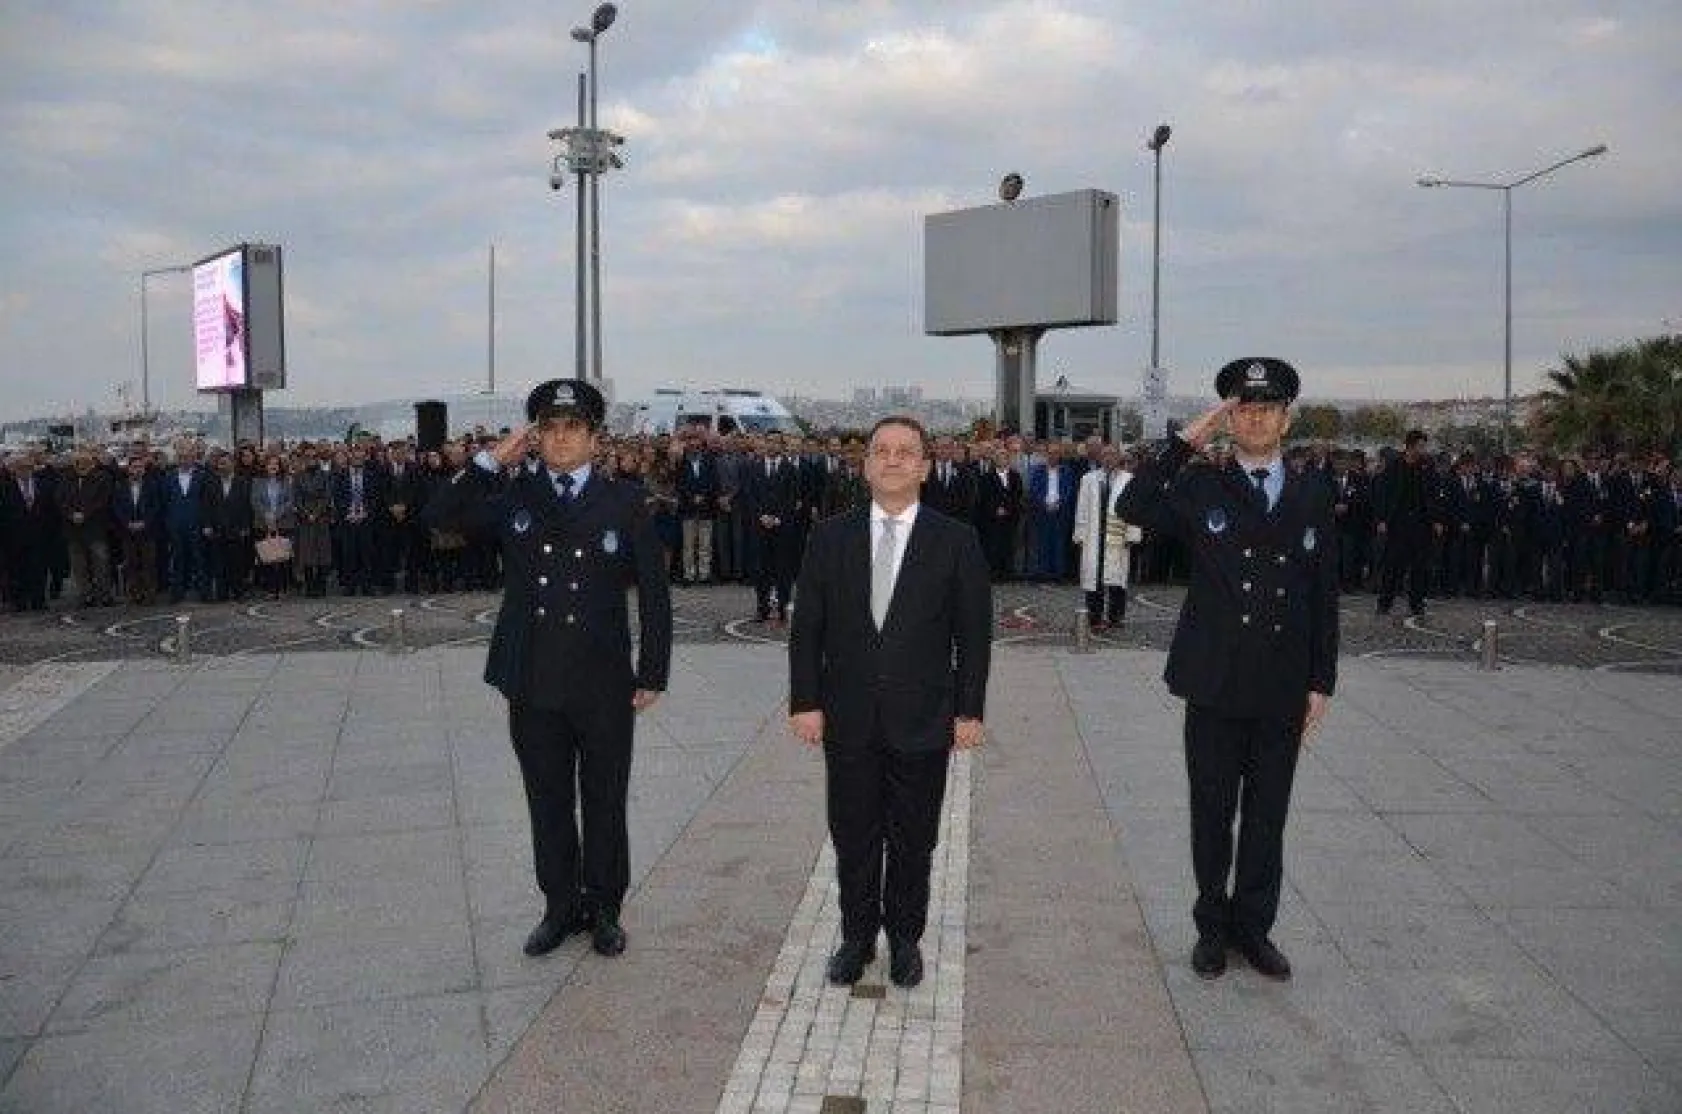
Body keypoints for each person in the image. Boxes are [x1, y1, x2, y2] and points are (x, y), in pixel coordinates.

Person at [425, 378, 672, 960]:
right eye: (550, 429)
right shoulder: (515, 496)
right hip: (532, 676)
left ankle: (605, 906)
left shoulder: (624, 500)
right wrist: (488, 461)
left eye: (573, 429)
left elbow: (656, 595)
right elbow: (437, 516)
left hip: (604, 678)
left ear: (594, 437)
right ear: (535, 436)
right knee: (548, 797)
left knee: (606, 797)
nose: (562, 440)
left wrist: (653, 670)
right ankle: (559, 906)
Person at [1115, 358, 1338, 983]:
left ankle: (1254, 929)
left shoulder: (1312, 491)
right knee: (1211, 813)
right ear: (1228, 418)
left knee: (1268, 816)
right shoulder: (1200, 485)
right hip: (1213, 681)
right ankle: (1211, 929)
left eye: (1268, 408)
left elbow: (1323, 591)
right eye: (1244, 408)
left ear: (1287, 419)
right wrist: (1187, 438)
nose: (1257, 417)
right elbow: (1132, 504)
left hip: (1281, 684)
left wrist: (1322, 679)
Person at [788, 415, 993, 989]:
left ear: (926, 466)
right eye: (882, 450)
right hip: (847, 718)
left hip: (924, 719)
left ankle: (904, 938)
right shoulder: (830, 537)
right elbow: (808, 630)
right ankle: (856, 936)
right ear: (866, 465)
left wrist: (969, 711)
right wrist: (805, 701)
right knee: (853, 834)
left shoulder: (956, 540)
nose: (894, 459)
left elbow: (973, 635)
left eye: (907, 451)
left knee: (913, 837)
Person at [1072, 443, 1138, 629]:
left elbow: (1135, 509)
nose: (1109, 458)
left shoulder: (1128, 479)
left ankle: (1116, 616)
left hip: (1117, 535)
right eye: (1105, 455)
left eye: (1113, 455)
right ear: (1100, 458)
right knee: (1094, 577)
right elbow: (1082, 507)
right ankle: (1094, 616)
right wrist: (1079, 534)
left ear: (1119, 458)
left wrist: (1133, 534)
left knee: (1117, 576)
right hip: (1094, 534)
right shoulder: (1089, 479)